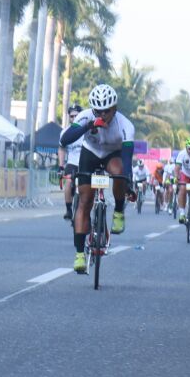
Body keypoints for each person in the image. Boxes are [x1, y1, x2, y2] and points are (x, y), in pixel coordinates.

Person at [58, 83, 136, 275]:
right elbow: (65, 139)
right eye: (97, 111)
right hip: (90, 154)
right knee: (85, 201)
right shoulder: (86, 116)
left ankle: (118, 211)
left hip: (113, 155)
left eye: (106, 111)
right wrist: (89, 125)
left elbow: (127, 159)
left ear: (114, 109)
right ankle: (79, 254)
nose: (102, 115)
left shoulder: (125, 125)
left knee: (119, 172)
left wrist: (127, 182)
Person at [59, 103, 83, 221]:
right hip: (72, 163)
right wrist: (61, 166)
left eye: (76, 116)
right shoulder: (65, 132)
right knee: (68, 183)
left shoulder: (86, 129)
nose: (74, 119)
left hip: (85, 162)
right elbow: (61, 148)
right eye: (72, 116)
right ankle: (68, 209)